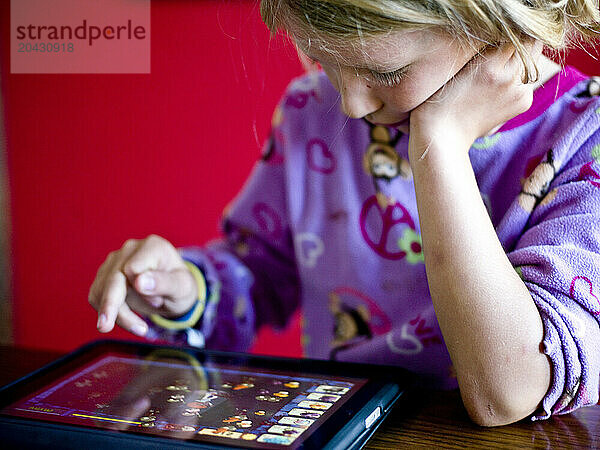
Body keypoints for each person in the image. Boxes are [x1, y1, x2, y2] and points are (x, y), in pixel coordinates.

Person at [88, 0, 600, 426]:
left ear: (501, 28)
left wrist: (438, 145)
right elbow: (258, 275)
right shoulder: (313, 112)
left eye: (386, 72)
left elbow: (508, 391)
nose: (352, 105)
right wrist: (185, 288)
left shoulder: (586, 139)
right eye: (323, 61)